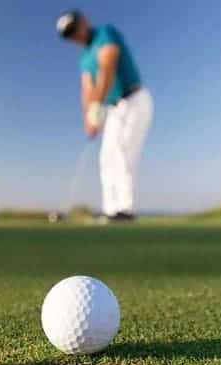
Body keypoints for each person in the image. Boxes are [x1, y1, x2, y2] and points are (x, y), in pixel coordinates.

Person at [57, 10, 153, 222]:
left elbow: (107, 67)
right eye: (68, 35)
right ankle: (111, 210)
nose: (73, 36)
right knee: (106, 158)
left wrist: (97, 106)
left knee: (122, 153)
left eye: (73, 29)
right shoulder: (84, 59)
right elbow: (87, 89)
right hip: (112, 109)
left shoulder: (105, 34)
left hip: (134, 100)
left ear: (83, 22)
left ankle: (125, 209)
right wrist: (89, 118)